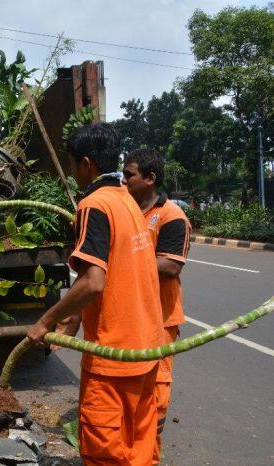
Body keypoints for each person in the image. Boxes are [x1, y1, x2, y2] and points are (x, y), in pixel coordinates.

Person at [26, 124, 163, 465]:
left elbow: (92, 282)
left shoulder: (94, 204)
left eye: (73, 165)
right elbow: (114, 274)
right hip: (147, 349)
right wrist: (72, 323)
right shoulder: (129, 202)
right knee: (139, 443)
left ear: (86, 163)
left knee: (105, 450)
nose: (74, 173)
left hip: (112, 356)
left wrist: (44, 321)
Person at [122, 149, 191, 463]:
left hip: (160, 320)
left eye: (130, 175)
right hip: (131, 316)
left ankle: (149, 455)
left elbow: (171, 266)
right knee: (131, 389)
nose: (124, 180)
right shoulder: (129, 210)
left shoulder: (171, 216)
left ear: (150, 179)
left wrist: (126, 257)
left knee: (156, 393)